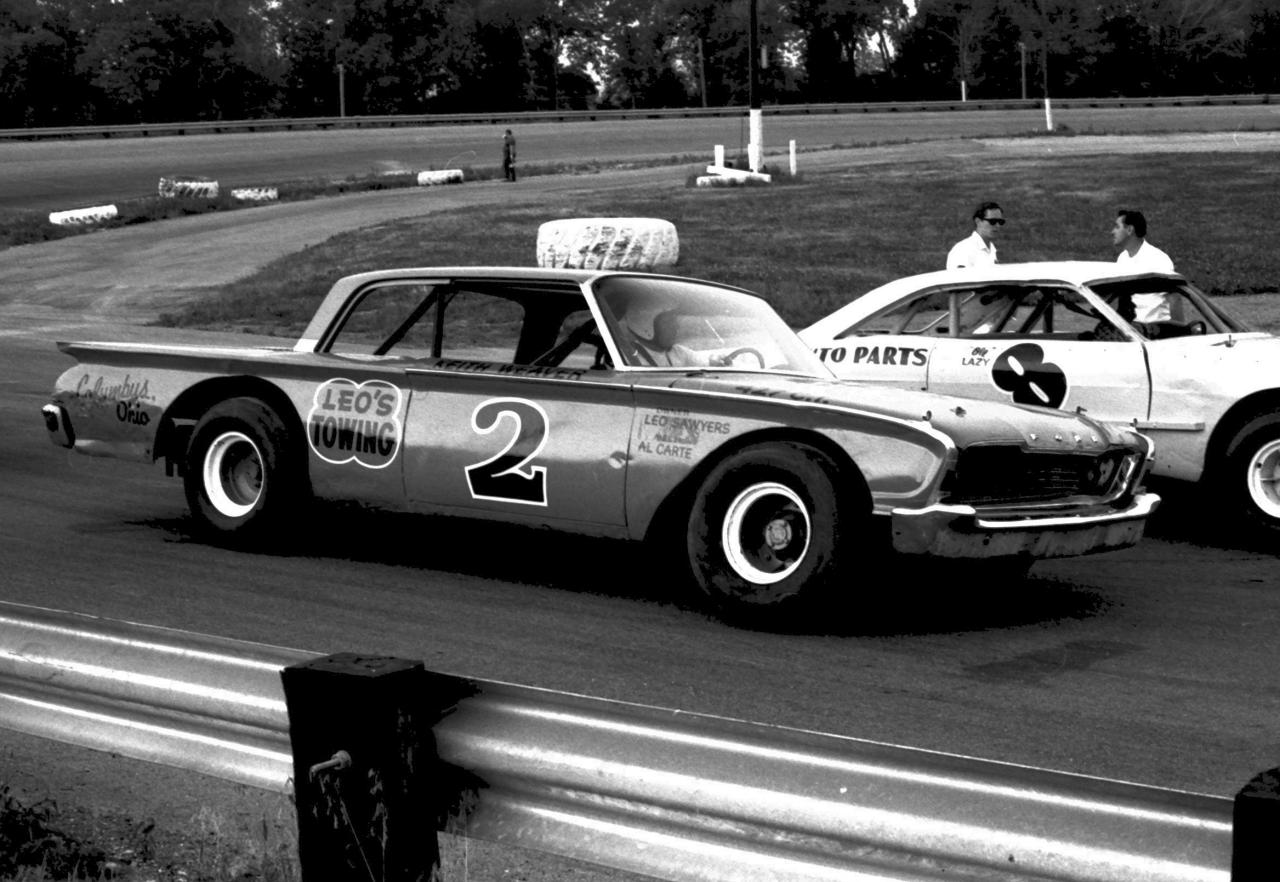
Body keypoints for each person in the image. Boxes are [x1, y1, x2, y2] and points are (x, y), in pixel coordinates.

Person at [1111, 209, 1175, 321]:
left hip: (1155, 328)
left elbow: (1174, 298)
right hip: (1130, 327)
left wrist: (1178, 330)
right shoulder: (1122, 258)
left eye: (1117, 227)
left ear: (1129, 230)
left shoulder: (1159, 259)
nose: (1112, 231)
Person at [946, 201, 1004, 270]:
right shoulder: (963, 250)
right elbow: (959, 276)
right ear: (978, 221)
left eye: (1000, 222)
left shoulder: (992, 249)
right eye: (992, 221)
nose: (997, 225)